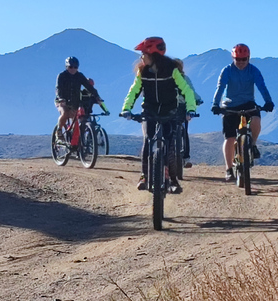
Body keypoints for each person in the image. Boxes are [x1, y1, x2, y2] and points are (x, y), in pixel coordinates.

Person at [120, 37, 197, 192]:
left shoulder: (172, 70)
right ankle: (144, 175)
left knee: (170, 146)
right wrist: (126, 108)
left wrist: (190, 109)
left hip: (170, 111)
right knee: (148, 141)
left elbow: (186, 91)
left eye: (143, 53)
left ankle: (174, 181)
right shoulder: (143, 71)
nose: (141, 57)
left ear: (152, 54)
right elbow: (134, 91)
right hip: (149, 110)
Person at [211, 43, 274, 181]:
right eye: (237, 59)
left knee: (256, 119)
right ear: (233, 58)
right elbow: (220, 88)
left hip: (248, 103)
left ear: (248, 58)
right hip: (229, 105)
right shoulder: (227, 71)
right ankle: (228, 169)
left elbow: (262, 87)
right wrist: (215, 104)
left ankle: (252, 145)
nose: (240, 62)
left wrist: (268, 102)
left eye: (243, 59)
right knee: (230, 138)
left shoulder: (254, 71)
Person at [55, 57, 102, 142]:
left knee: (76, 118)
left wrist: (97, 97)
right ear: (66, 67)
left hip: (74, 101)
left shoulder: (79, 76)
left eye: (75, 67)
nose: (73, 69)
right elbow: (58, 89)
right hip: (62, 100)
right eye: (70, 67)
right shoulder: (62, 76)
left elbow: (89, 87)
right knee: (65, 113)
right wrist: (61, 98)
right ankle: (59, 131)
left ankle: (75, 141)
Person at [174, 58, 203, 169]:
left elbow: (191, 92)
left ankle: (185, 158)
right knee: (183, 131)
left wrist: (196, 100)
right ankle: (185, 158)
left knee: (182, 130)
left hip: (180, 107)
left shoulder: (184, 79)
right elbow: (192, 92)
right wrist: (198, 100)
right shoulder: (184, 79)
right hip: (178, 107)